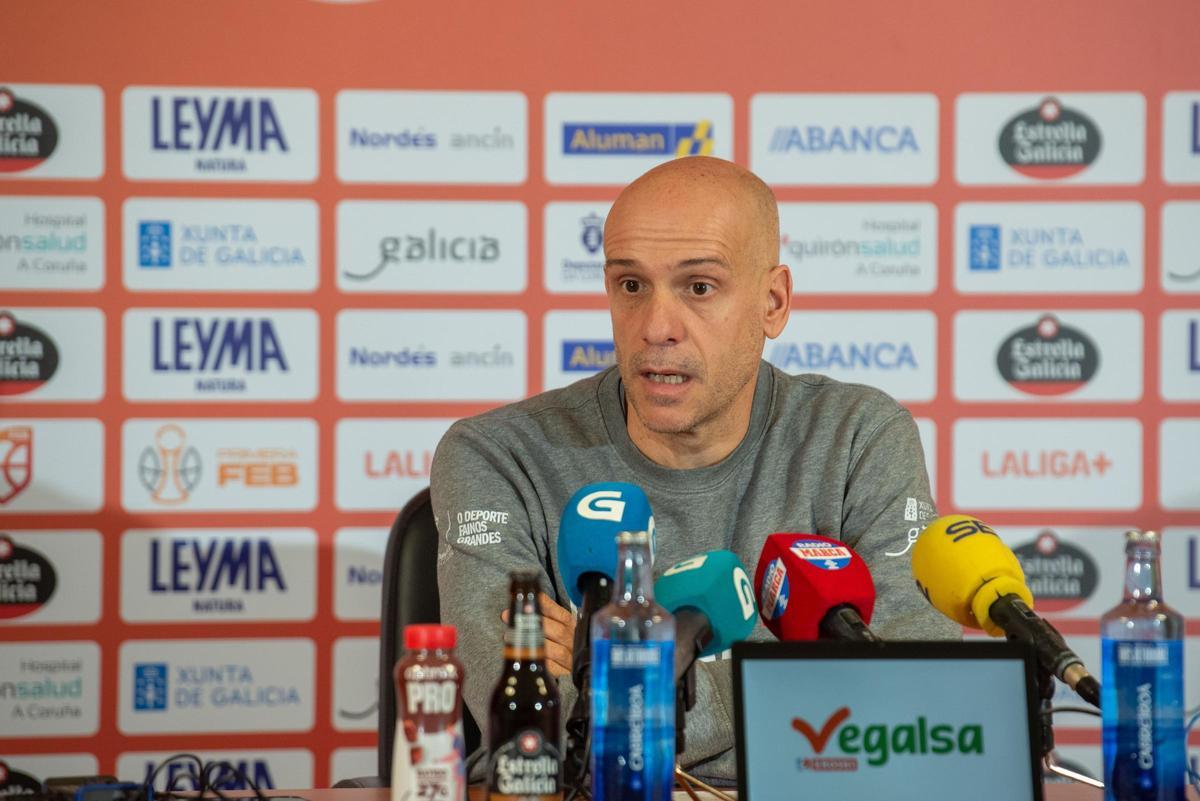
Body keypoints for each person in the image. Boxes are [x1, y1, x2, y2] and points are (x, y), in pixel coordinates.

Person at [431, 156, 959, 782]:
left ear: (773, 302)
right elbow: (538, 723)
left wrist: (625, 670)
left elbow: (908, 685)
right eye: (631, 286)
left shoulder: (858, 438)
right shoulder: (496, 454)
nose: (656, 327)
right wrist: (802, 671)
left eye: (699, 287)